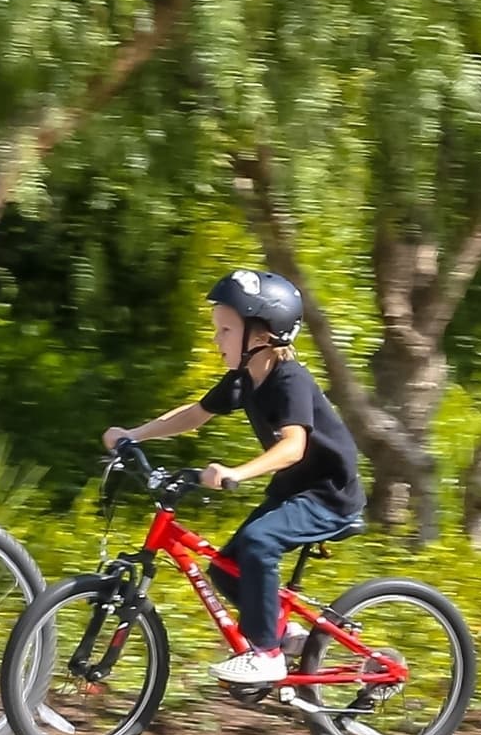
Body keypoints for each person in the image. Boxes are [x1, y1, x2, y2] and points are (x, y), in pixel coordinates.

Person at [102, 269, 366, 684]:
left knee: (260, 544)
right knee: (226, 568)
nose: (216, 339)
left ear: (261, 336)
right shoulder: (243, 380)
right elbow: (195, 414)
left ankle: (266, 654)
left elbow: (294, 446)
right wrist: (133, 435)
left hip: (328, 494)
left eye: (225, 330)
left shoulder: (289, 379)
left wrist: (236, 473)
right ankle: (282, 632)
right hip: (293, 489)